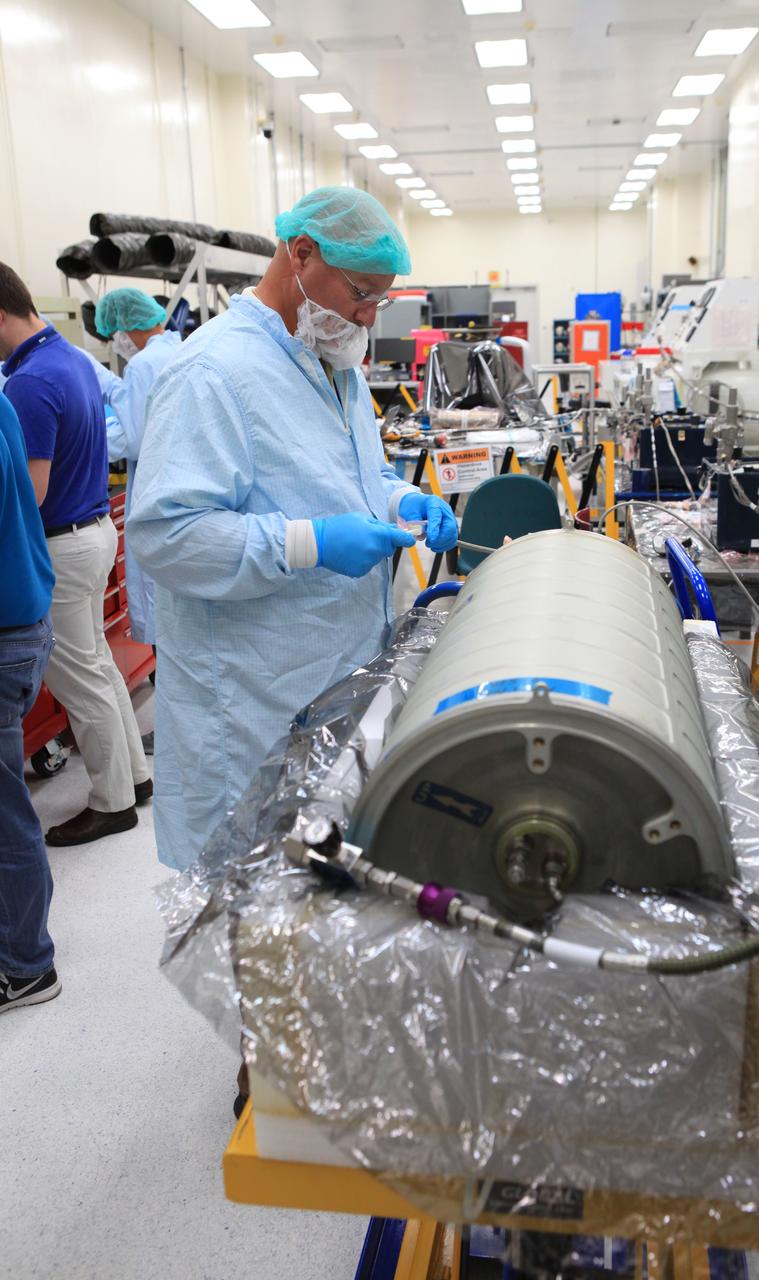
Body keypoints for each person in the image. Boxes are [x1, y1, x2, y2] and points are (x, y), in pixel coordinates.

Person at [129, 186, 457, 872]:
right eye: (362, 292)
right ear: (301, 256)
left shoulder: (330, 359)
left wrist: (400, 502)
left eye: (380, 300)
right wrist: (309, 543)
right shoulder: (212, 372)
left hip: (334, 682)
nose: (369, 314)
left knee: (315, 897)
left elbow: (342, 478)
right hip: (254, 702)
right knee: (251, 908)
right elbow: (168, 537)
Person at [0, 263, 151, 846]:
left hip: (62, 546)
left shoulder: (29, 383)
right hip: (92, 533)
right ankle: (134, 778)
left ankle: (112, 803)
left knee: (79, 679)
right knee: (99, 668)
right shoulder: (68, 359)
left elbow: (30, 491)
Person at [89, 289, 182, 755]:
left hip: (159, 494)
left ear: (126, 328)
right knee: (176, 616)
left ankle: (175, 731)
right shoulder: (178, 349)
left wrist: (89, 427)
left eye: (116, 333)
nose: (117, 341)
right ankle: (180, 726)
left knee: (165, 619)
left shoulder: (145, 365)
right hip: (178, 491)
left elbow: (129, 437)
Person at [0, 392, 61, 1012]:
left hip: (5, 635)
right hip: (23, 622)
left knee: (4, 814)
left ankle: (25, 964)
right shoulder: (2, 400)